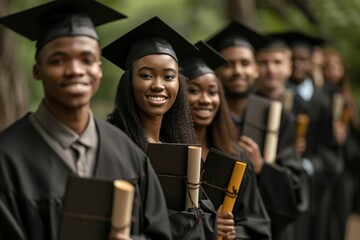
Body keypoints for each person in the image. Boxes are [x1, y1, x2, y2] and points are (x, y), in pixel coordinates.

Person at [0, 2, 171, 240]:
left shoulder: (128, 154)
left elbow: (159, 233)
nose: (75, 70)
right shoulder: (7, 159)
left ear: (99, 69)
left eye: (87, 60)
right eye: (58, 61)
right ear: (37, 70)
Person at [102, 17, 217, 240]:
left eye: (168, 76)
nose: (158, 84)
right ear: (128, 83)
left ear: (178, 84)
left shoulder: (180, 148)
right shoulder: (113, 148)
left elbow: (203, 216)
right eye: (146, 75)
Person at [206, 21, 307, 240]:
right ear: (217, 70)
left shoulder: (280, 117)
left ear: (255, 69)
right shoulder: (204, 115)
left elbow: (297, 187)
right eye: (229, 64)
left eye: (245, 63)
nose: (238, 71)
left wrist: (263, 168)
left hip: (270, 229)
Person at [182, 40, 271, 239]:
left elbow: (257, 224)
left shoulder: (235, 155)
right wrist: (209, 228)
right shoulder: (170, 155)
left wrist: (232, 233)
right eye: (194, 90)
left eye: (213, 92)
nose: (206, 100)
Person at [270, 31, 344, 240]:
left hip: (313, 186)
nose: (298, 65)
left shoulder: (322, 103)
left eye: (303, 59)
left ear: (312, 62)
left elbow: (331, 151)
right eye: (293, 59)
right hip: (280, 182)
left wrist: (307, 165)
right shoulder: (277, 98)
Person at [322, 48, 360, 240]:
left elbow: (356, 145)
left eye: (337, 66)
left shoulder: (349, 102)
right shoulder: (319, 98)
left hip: (344, 169)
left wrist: (344, 140)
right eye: (327, 66)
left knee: (340, 220)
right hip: (325, 168)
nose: (332, 71)